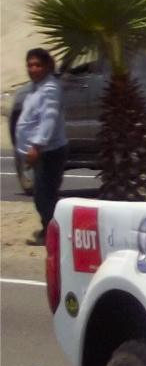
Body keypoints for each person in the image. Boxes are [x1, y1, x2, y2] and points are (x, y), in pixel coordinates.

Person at [15, 48, 68, 246]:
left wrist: (36, 145)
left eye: (38, 65)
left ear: (47, 66)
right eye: (30, 65)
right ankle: (49, 229)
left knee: (45, 195)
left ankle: (53, 233)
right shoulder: (35, 88)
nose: (33, 69)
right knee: (41, 195)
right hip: (38, 153)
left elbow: (49, 119)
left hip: (48, 151)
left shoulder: (50, 89)